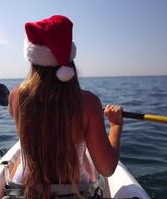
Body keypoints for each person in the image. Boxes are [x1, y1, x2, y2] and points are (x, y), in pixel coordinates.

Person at [8, 15, 123, 198]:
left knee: (18, 161)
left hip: (25, 189)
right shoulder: (89, 103)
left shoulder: (15, 96)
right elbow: (107, 168)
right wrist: (116, 126)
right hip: (74, 190)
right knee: (84, 159)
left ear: (33, 58)